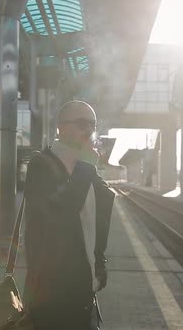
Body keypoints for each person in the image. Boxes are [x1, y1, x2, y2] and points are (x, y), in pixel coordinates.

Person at [23, 100, 115, 330]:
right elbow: (60, 215)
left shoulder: (87, 167)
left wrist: (100, 266)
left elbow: (96, 219)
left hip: (85, 289)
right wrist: (85, 166)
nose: (89, 130)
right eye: (82, 123)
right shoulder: (42, 165)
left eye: (92, 125)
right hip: (52, 290)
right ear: (61, 127)